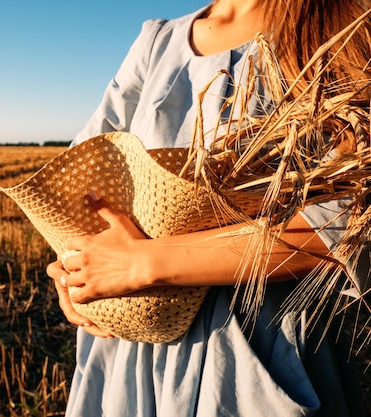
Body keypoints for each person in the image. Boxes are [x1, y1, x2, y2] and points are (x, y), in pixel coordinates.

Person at [45, 0, 371, 416]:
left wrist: (146, 263)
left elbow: (345, 217)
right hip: (128, 344)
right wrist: (72, 267)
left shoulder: (341, 22)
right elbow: (81, 170)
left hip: (255, 352)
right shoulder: (157, 41)